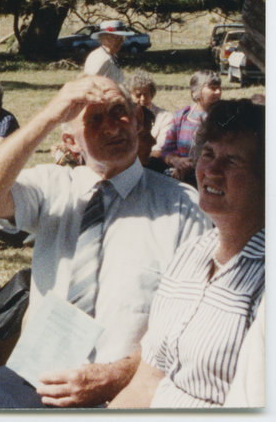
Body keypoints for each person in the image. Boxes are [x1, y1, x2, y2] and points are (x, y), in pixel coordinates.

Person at [0, 75, 210, 409]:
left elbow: (195, 321)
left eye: (119, 112)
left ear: (139, 121)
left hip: (127, 391)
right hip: (38, 379)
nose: (112, 127)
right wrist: (49, 115)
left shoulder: (184, 207)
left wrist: (117, 375)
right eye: (95, 119)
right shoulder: (53, 187)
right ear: (71, 141)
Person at [110, 99, 264, 408]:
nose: (213, 170)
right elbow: (148, 380)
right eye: (208, 154)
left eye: (232, 161)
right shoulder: (190, 253)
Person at [160, 70, 222, 185]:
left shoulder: (225, 117)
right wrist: (176, 161)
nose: (218, 92)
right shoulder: (182, 116)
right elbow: (166, 150)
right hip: (181, 176)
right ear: (196, 92)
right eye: (213, 88)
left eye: (219, 87)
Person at [126, 71, 172, 167]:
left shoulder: (165, 117)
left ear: (152, 94)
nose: (143, 99)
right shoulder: (124, 117)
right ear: (129, 96)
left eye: (146, 94)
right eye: (138, 95)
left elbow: (159, 150)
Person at [82, 20, 133, 84]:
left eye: (122, 38)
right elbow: (90, 83)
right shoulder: (101, 58)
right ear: (105, 39)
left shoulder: (109, 55)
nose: (121, 41)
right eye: (117, 37)